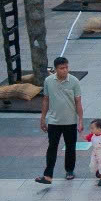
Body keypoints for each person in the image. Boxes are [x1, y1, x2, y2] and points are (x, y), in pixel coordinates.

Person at [37, 56, 82, 184]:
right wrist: (43, 118)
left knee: (70, 147)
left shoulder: (74, 81)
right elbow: (46, 100)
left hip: (70, 121)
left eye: (66, 67)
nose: (65, 70)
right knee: (52, 147)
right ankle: (48, 175)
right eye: (62, 68)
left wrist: (80, 121)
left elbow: (78, 102)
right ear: (56, 69)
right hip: (54, 121)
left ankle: (69, 170)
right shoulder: (48, 81)